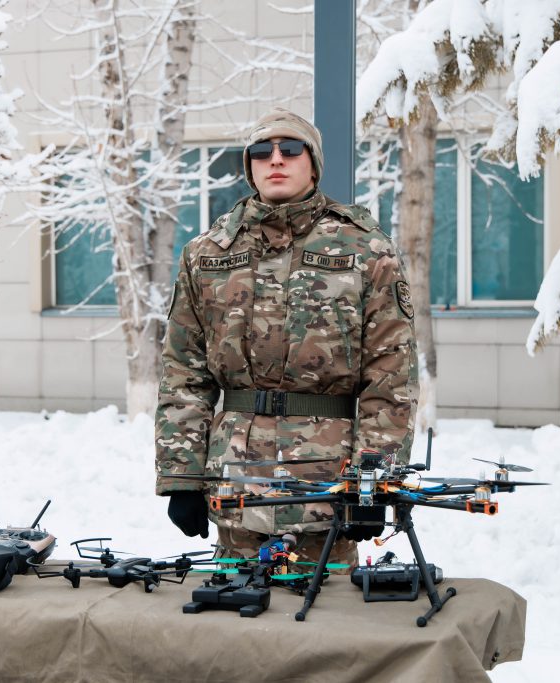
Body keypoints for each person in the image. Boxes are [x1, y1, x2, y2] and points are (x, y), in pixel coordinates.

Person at [155, 108, 418, 567]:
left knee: (327, 608)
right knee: (234, 604)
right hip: (235, 483)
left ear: (312, 164)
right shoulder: (208, 252)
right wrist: (183, 477)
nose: (275, 159)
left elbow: (391, 373)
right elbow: (185, 371)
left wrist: (373, 484)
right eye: (262, 152)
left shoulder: (364, 248)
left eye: (290, 149)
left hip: (327, 487)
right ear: (250, 166)